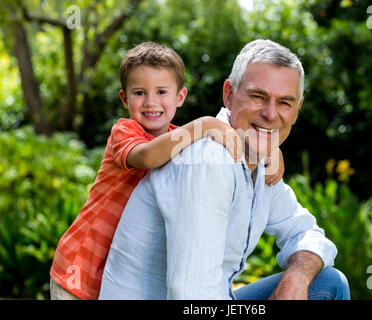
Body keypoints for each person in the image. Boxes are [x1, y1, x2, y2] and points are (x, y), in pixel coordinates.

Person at [99, 39, 350, 300]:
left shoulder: (262, 163)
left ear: (297, 110)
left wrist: (297, 276)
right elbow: (190, 294)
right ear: (229, 95)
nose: (270, 113)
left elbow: (305, 232)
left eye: (285, 103)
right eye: (258, 96)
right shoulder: (208, 162)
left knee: (327, 283)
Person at [49, 41, 286, 300]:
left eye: (162, 91)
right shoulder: (124, 131)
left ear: (180, 97)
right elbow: (148, 156)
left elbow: (239, 142)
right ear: (124, 98)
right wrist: (204, 124)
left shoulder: (180, 139)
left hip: (114, 271)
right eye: (139, 93)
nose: (151, 102)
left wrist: (270, 150)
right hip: (79, 269)